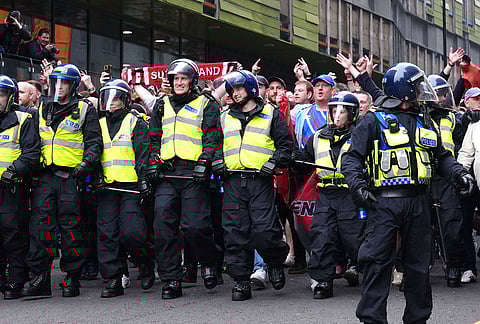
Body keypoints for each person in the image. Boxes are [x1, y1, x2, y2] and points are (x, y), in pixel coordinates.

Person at [342, 62, 474, 324]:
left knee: (418, 267)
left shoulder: (425, 121)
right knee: (376, 264)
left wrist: (460, 174)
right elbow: (351, 159)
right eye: (417, 87)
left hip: (419, 202)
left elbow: (442, 157)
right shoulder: (373, 121)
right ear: (404, 92)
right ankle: (372, 319)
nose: (421, 93)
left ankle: (417, 319)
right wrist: (358, 187)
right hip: (383, 203)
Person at [22, 64, 102, 298]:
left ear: (73, 85)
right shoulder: (41, 109)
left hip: (71, 178)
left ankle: (72, 277)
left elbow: (94, 143)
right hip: (46, 176)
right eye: (56, 82)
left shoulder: (85, 109)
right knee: (40, 228)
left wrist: (85, 166)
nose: (59, 87)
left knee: (71, 228)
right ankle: (40, 278)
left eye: (64, 83)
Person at [215, 70, 291, 301]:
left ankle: (275, 261)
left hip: (260, 181)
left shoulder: (271, 114)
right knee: (234, 233)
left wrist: (274, 162)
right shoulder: (224, 116)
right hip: (233, 181)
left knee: (265, 231)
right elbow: (214, 144)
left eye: (238, 88)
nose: (234, 94)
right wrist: (217, 160)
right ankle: (240, 281)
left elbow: (286, 147)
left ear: (250, 88)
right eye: (232, 90)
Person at [147, 58, 220, 299]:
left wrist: (204, 163)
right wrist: (153, 164)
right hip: (167, 173)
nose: (179, 83)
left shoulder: (205, 104)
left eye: (183, 78)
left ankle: (209, 262)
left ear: (193, 81)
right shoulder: (161, 105)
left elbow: (212, 137)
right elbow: (154, 139)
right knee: (163, 227)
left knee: (195, 227)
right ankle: (171, 280)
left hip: (193, 174)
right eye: (175, 79)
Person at [298, 91, 365, 299]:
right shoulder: (318, 136)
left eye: (343, 111)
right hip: (326, 192)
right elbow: (303, 160)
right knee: (322, 237)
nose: (337, 115)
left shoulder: (361, 136)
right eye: (334, 110)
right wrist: (290, 157)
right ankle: (323, 280)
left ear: (352, 114)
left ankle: (369, 273)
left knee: (355, 238)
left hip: (350, 193)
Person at [94, 79, 154, 298]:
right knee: (107, 234)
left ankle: (144, 261)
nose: (110, 103)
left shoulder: (135, 122)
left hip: (131, 188)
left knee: (132, 233)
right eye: (107, 99)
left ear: (126, 101)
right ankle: (115, 278)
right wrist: (97, 177)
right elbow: (93, 152)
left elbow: (142, 154)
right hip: (107, 188)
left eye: (116, 98)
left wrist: (144, 181)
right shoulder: (98, 124)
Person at [0, 75, 39, 299]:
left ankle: (16, 280)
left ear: (11, 97)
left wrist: (14, 170)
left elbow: (32, 152)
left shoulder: (23, 119)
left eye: (2, 94)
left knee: (12, 235)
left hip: (11, 187)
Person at [427, 74, 468, 287]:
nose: (441, 99)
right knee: (420, 227)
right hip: (423, 178)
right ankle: (413, 269)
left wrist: (460, 172)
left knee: (451, 223)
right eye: (437, 95)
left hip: (446, 177)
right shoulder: (417, 117)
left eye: (444, 95)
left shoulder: (453, 119)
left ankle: (454, 265)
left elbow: (462, 147)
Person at [457, 87, 480, 284]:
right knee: (464, 223)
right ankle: (469, 267)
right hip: (470, 182)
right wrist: (460, 175)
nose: (479, 102)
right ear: (466, 102)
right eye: (476, 99)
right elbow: (466, 153)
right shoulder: (472, 124)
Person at [294, 74, 336, 150]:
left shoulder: (337, 115)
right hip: (302, 159)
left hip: (324, 158)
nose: (320, 88)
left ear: (333, 91)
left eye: (324, 85)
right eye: (317, 85)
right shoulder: (301, 111)